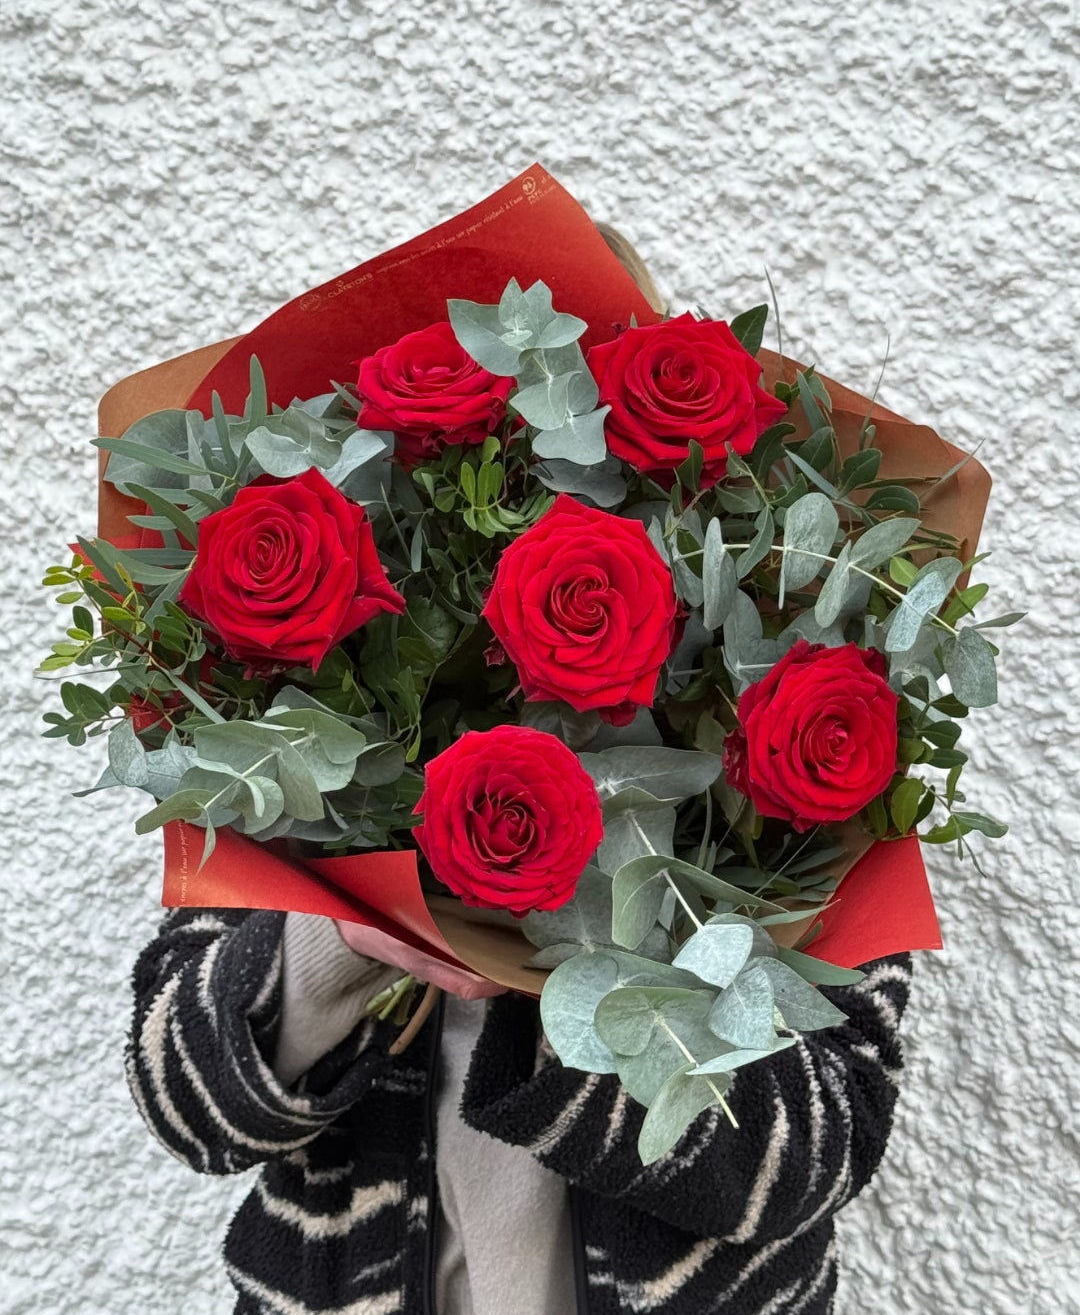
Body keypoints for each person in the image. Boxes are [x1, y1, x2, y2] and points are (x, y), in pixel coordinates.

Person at [125, 229, 913, 1315]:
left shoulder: (810, 749)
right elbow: (183, 1103)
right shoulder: (291, 737)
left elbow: (821, 1150)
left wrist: (586, 970)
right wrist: (341, 937)